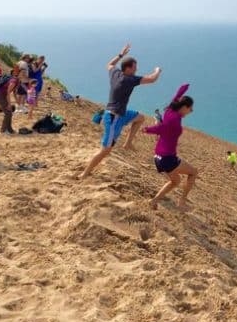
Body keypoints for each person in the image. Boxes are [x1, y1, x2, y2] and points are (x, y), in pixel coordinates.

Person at [78, 44, 161, 179]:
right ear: (128, 69)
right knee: (105, 151)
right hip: (113, 118)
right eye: (135, 67)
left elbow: (109, 65)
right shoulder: (130, 79)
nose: (137, 69)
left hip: (121, 113)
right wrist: (157, 70)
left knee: (140, 117)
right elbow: (152, 79)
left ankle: (128, 143)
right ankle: (85, 173)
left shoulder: (115, 73)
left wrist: (121, 54)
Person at [143, 84, 198, 212]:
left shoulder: (170, 110)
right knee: (193, 172)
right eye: (190, 109)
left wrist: (183, 88)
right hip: (167, 158)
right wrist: (147, 129)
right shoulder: (174, 119)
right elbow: (162, 128)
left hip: (158, 156)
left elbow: (176, 97)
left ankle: (153, 201)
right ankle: (181, 203)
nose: (191, 112)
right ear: (184, 107)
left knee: (175, 181)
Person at [0, 70, 23, 134]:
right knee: (8, 113)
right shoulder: (14, 80)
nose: (25, 74)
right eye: (23, 73)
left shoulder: (18, 81)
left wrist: (18, 103)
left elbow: (14, 93)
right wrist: (9, 104)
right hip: (1, 96)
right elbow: (8, 92)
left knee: (9, 112)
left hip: (4, 96)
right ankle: (3, 130)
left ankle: (10, 129)